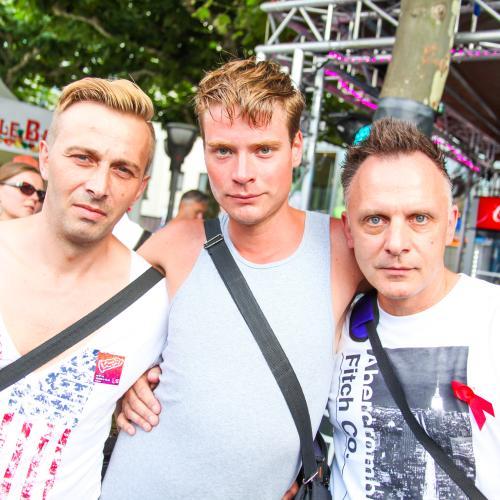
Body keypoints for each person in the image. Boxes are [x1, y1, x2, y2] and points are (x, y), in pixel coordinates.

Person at [100, 58, 363, 499]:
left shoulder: (344, 249)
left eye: (264, 150)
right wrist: (119, 386)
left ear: (296, 148)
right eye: (223, 150)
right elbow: (92, 341)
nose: (242, 174)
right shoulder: (175, 244)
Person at [0, 77, 168, 499]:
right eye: (82, 158)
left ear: (140, 189)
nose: (99, 186)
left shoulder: (152, 304)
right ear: (45, 158)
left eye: (122, 169)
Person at [329, 118, 499, 498]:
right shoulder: (332, 323)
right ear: (348, 230)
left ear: (451, 225)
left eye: (419, 218)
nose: (396, 243)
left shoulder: (492, 319)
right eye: (375, 220)